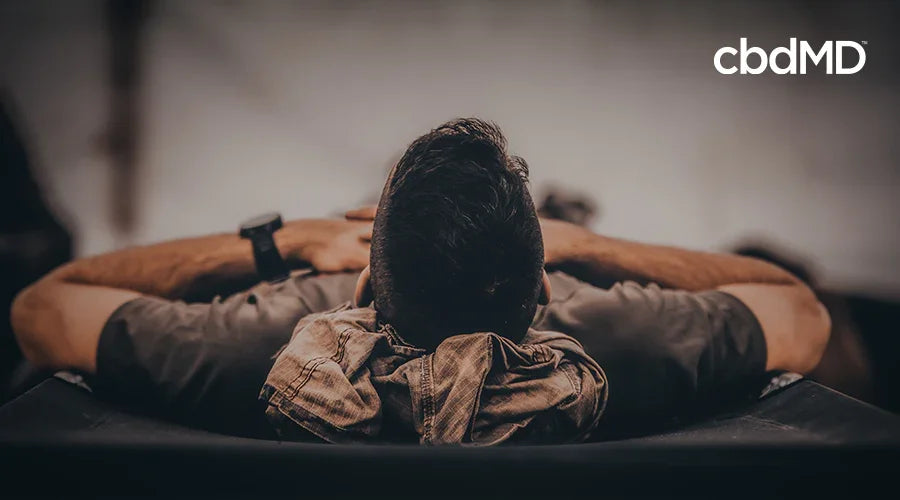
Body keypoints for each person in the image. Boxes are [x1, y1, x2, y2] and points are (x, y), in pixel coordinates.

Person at [10, 118, 830, 441]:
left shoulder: (261, 353)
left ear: (365, 287)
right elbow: (798, 313)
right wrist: (596, 246)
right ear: (542, 287)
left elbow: (44, 309)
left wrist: (280, 243)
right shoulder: (622, 348)